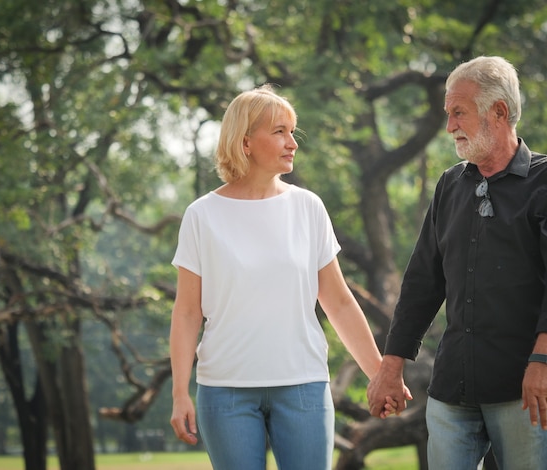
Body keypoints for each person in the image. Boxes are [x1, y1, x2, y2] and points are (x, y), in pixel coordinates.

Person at [367, 56, 547, 470]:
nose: (449, 126)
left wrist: (545, 361)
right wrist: (390, 366)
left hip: (527, 386)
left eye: (458, 113)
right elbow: (421, 282)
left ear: (498, 111)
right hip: (453, 390)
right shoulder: (450, 184)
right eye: (448, 114)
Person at [169, 84, 399, 470]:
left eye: (293, 132)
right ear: (245, 142)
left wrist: (380, 375)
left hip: (303, 386)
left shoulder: (308, 207)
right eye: (279, 132)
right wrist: (179, 392)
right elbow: (187, 312)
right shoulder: (202, 215)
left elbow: (339, 302)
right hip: (225, 392)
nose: (292, 142)